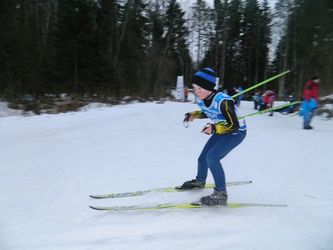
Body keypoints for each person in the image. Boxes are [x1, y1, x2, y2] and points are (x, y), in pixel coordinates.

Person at [180, 68, 247, 206]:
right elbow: (209, 112)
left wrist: (214, 128)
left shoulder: (223, 101)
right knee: (203, 157)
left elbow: (233, 125)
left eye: (200, 88)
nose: (196, 92)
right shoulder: (202, 99)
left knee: (212, 158)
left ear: (209, 88)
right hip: (222, 128)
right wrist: (194, 114)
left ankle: (221, 194)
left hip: (236, 131)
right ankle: (200, 181)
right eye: (194, 88)